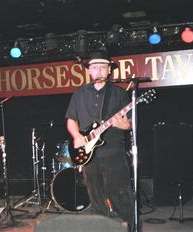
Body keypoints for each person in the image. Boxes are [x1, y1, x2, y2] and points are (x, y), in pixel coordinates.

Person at [65, 51, 135, 231]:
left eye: (103, 67)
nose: (99, 71)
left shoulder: (118, 93)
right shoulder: (80, 93)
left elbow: (131, 122)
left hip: (113, 151)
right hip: (88, 154)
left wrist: (126, 125)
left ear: (109, 71)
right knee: (95, 196)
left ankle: (132, 227)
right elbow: (71, 119)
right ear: (89, 71)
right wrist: (77, 136)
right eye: (95, 68)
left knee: (120, 194)